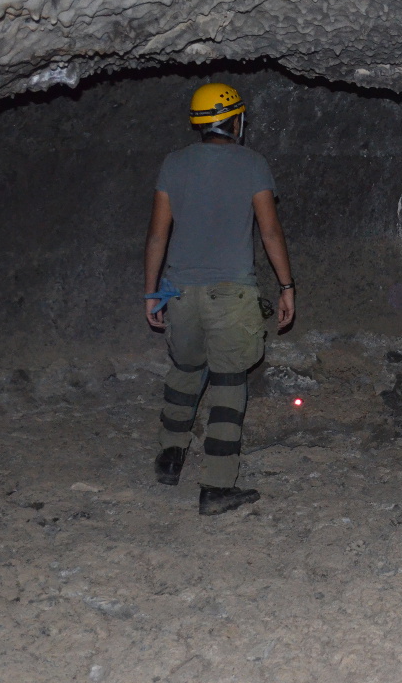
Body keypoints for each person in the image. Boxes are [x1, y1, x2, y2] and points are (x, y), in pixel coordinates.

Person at [143, 82, 295, 515]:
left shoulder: (174, 164)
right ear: (234, 119)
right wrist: (287, 286)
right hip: (230, 292)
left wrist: (153, 292)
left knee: (185, 370)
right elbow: (269, 231)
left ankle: (169, 458)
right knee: (229, 383)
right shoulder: (252, 164)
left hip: (179, 292)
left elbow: (157, 234)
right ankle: (216, 487)